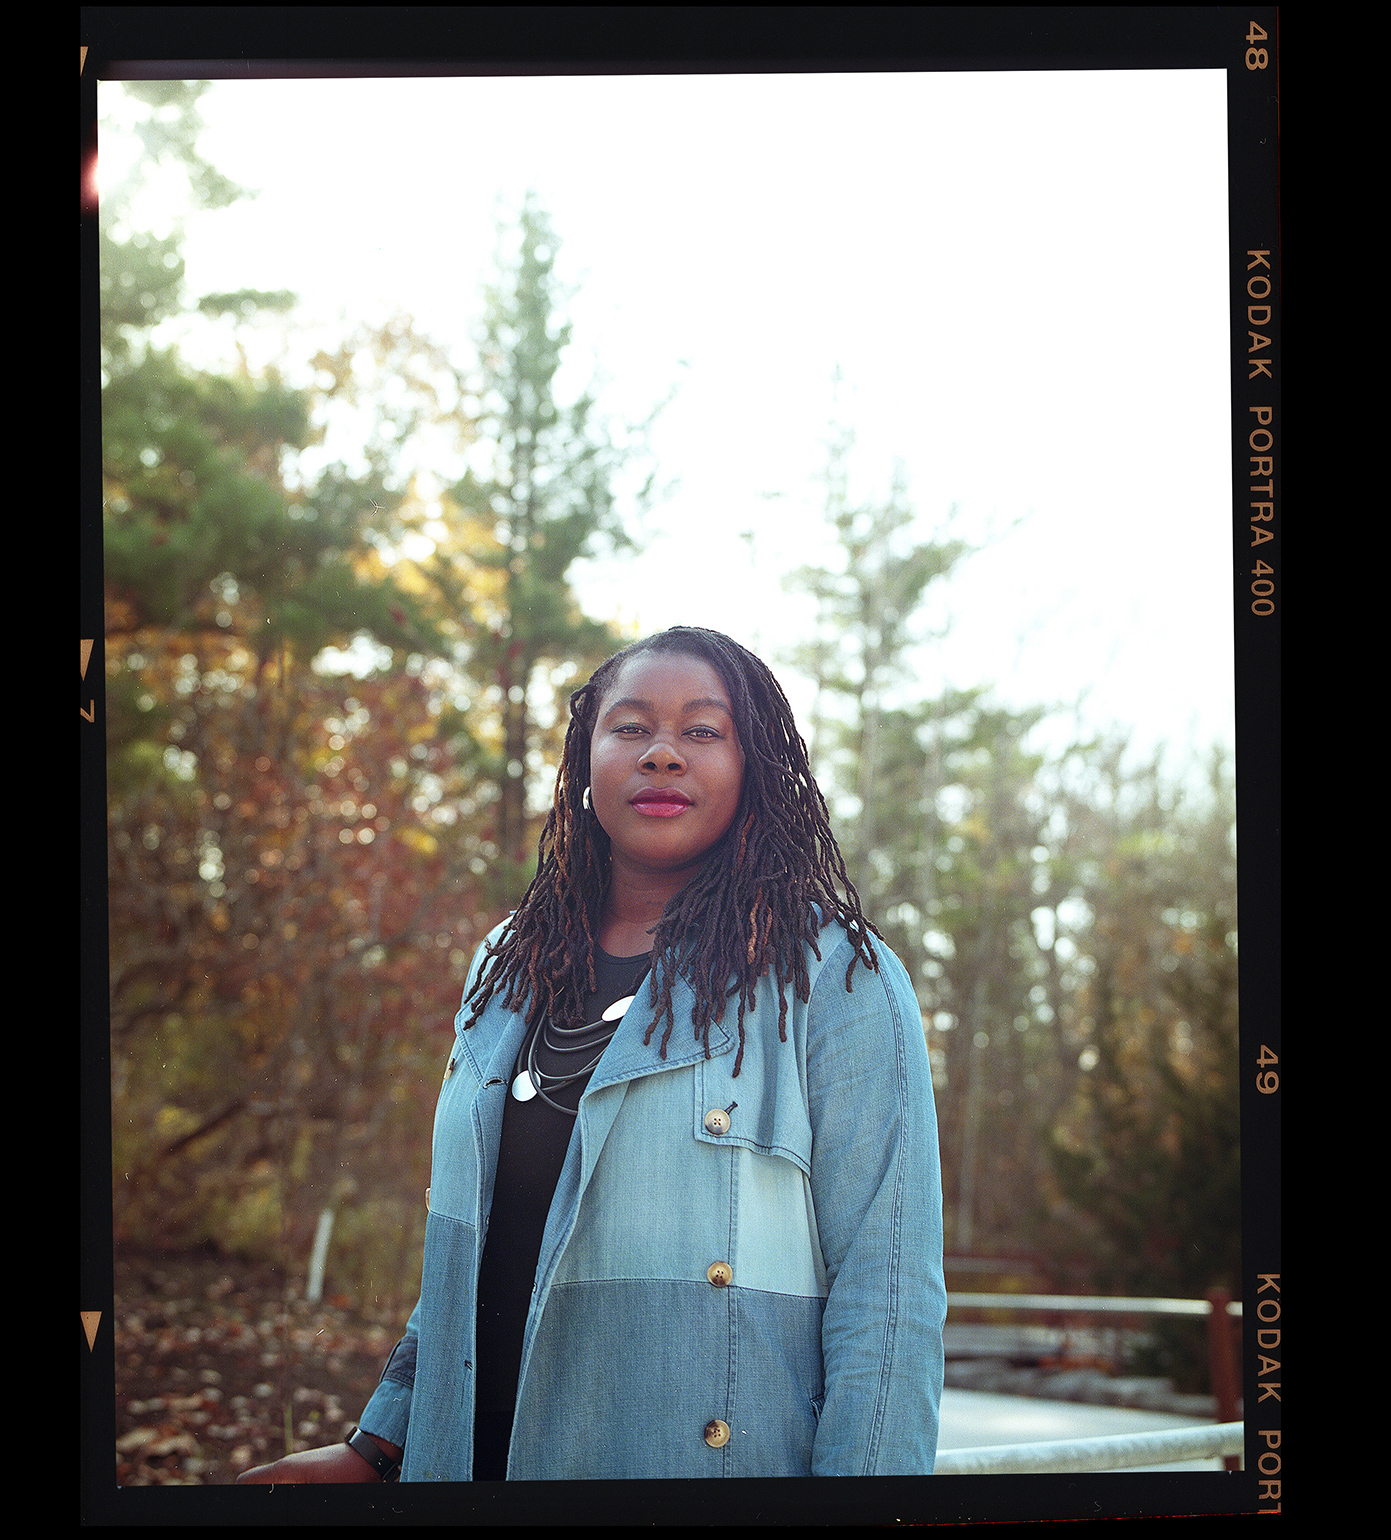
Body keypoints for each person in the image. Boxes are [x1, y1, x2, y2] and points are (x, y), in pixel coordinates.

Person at [237, 625, 946, 1484]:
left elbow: (890, 1293)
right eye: (630, 727)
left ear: (754, 764)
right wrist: (378, 1443)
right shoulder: (507, 963)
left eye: (701, 731)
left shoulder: (836, 975)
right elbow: (475, 1248)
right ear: (584, 765)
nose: (660, 755)